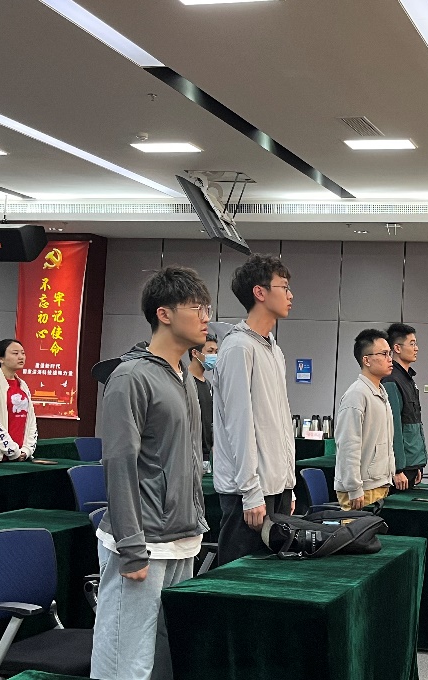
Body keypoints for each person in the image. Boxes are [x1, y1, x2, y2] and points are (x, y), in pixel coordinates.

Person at [91, 266, 211, 680]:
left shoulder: (185, 377)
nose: (206, 318)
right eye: (197, 308)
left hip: (181, 538)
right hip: (142, 541)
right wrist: (131, 546)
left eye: (207, 309)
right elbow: (119, 463)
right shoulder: (130, 376)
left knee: (162, 658)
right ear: (164, 313)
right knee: (125, 658)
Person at [213, 253, 296, 566]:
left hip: (275, 488)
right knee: (238, 580)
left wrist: (288, 484)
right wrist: (250, 491)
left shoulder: (274, 349)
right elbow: (239, 424)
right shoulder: (238, 347)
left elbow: (280, 421)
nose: (290, 295)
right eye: (283, 287)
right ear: (259, 292)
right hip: (247, 493)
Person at [334, 329, 396, 510]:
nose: (390, 359)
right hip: (361, 489)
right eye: (384, 354)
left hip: (379, 483)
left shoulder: (380, 392)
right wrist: (354, 488)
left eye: (390, 353)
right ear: (366, 360)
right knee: (356, 529)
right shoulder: (356, 394)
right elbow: (348, 444)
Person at [382, 323, 428, 490]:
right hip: (400, 469)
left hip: (411, 463)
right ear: (397, 348)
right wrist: (398, 468)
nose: (416, 348)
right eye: (412, 344)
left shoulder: (407, 379)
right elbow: (393, 427)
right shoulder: (391, 380)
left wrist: (417, 465)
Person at [188, 333, 218, 472]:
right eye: (210, 351)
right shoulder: (184, 383)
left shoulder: (208, 385)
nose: (214, 356)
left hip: (206, 456)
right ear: (195, 353)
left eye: (216, 352)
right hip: (190, 456)